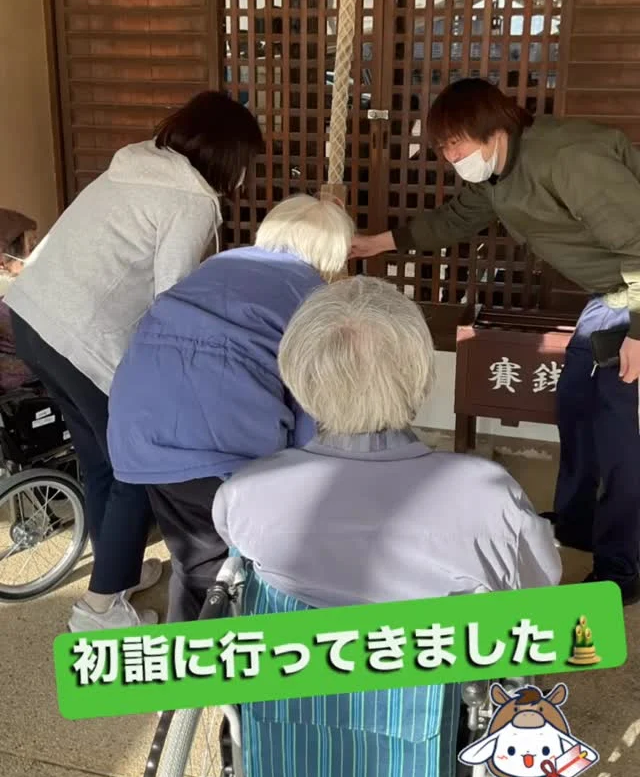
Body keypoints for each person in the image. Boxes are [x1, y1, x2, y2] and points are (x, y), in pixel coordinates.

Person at [349, 77, 640, 605]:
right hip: (612, 295)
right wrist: (376, 244)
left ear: (494, 127)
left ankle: (624, 565)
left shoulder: (569, 159)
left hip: (635, 294)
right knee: (577, 404)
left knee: (623, 432)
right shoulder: (496, 175)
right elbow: (456, 218)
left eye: (457, 142)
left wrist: (638, 335)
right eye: (443, 148)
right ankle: (577, 523)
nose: (452, 156)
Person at [5, 90, 263, 631]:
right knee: (132, 468)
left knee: (99, 459)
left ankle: (114, 576)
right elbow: (172, 300)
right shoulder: (192, 200)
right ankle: (97, 610)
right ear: (229, 156)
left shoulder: (136, 163)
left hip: (29, 318)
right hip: (81, 342)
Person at [213, 275, 561, 607]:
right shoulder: (489, 495)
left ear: (296, 374)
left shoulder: (246, 490)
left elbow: (241, 550)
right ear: (419, 375)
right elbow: (540, 581)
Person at [107, 194, 355, 622]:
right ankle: (221, 671)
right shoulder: (314, 298)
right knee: (253, 565)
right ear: (331, 252)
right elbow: (309, 409)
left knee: (195, 559)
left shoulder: (218, 265)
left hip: (137, 426)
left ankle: (187, 667)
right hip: (217, 446)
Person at [0, 210, 38, 392]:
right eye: (31, 247)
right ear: (3, 261)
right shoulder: (9, 306)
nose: (38, 254)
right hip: (21, 400)